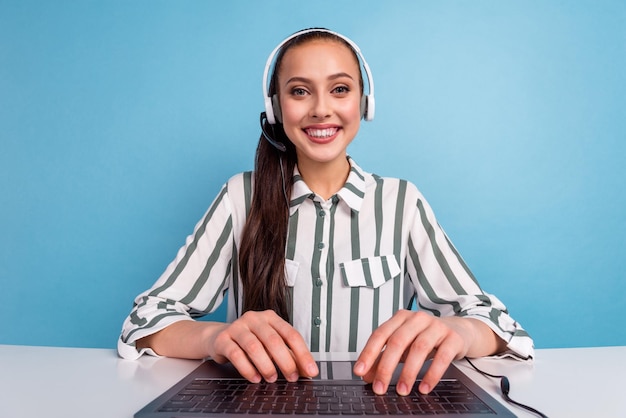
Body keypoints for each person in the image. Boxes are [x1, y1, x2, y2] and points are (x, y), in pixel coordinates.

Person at [118, 28, 534, 396]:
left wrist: (459, 332)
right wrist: (215, 337)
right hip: (261, 405)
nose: (321, 109)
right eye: (300, 91)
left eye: (339, 89)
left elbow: (501, 327)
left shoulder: (401, 202)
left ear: (364, 103)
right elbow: (145, 320)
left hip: (378, 404)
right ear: (276, 107)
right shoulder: (239, 197)